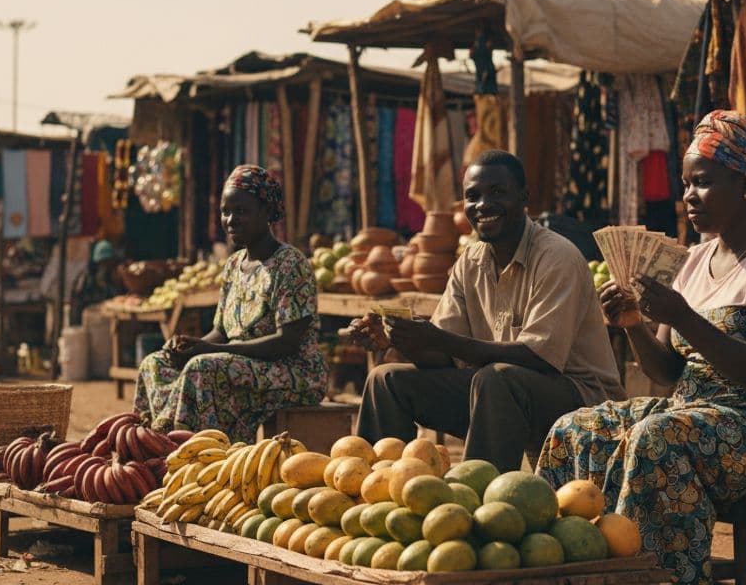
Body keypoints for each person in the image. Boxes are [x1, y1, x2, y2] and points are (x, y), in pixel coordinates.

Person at [537, 111, 746, 585]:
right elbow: (671, 375)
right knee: (577, 428)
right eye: (686, 182)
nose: (688, 195)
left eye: (703, 181)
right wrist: (632, 327)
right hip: (699, 409)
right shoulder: (694, 260)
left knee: (659, 438)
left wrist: (686, 318)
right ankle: (571, 584)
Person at [352, 149, 625, 471]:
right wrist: (400, 339)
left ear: (524, 198)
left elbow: (540, 358)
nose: (483, 205)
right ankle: (375, 488)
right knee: (386, 380)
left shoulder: (557, 256)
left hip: (583, 402)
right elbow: (444, 357)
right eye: (473, 196)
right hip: (502, 393)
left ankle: (479, 500)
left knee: (496, 378)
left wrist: (437, 339)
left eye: (497, 193)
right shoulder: (471, 261)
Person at [134, 165, 327, 439]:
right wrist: (189, 345)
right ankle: (153, 446)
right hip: (242, 364)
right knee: (156, 363)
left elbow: (287, 342)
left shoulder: (290, 264)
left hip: (293, 371)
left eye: (242, 211)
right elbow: (221, 332)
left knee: (203, 368)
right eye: (226, 211)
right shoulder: (234, 264)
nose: (231, 220)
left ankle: (199, 452)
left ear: (267, 212)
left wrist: (207, 351)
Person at [69, 240, 124, 325]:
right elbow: (77, 304)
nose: (105, 266)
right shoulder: (86, 278)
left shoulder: (111, 276)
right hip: (86, 319)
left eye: (108, 262)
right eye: (103, 262)